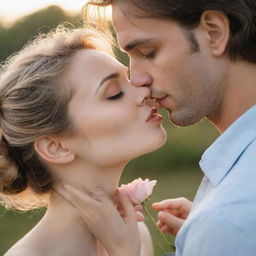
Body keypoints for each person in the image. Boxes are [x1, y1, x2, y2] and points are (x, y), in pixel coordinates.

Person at [56, 0, 256, 255]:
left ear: (213, 33)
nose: (138, 80)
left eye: (148, 52)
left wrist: (214, 233)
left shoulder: (228, 219)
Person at [0, 26, 167, 256]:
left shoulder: (135, 233)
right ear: (55, 147)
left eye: (129, 81)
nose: (143, 93)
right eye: (114, 93)